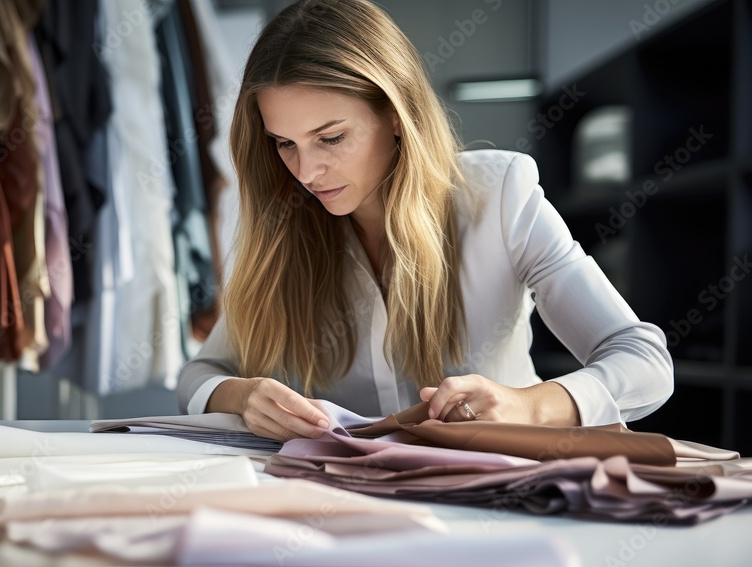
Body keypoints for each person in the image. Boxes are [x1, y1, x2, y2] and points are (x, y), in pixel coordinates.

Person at [177, 0, 673, 441]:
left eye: (330, 138)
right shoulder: (284, 223)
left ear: (396, 114)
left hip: (495, 506)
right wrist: (242, 397)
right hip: (348, 511)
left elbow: (644, 360)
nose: (306, 172)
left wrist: (532, 404)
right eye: (285, 143)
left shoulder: (499, 196)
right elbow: (200, 375)